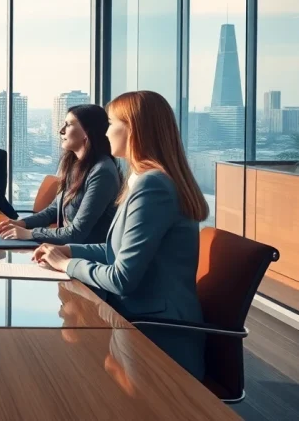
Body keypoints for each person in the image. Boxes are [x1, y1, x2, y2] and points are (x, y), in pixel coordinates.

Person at [32, 90, 208, 380]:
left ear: (133, 130)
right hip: (135, 320)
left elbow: (122, 279)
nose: (106, 130)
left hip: (155, 334)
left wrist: (66, 265)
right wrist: (69, 251)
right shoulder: (144, 180)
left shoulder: (154, 187)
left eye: (112, 122)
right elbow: (116, 250)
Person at [0, 104, 121, 245]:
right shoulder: (74, 165)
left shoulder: (102, 172)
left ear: (87, 132)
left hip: (87, 256)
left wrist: (30, 233)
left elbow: (76, 233)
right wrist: (21, 223)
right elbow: (53, 211)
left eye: (68, 125)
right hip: (66, 249)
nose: (61, 131)